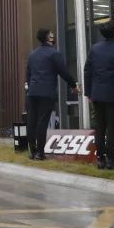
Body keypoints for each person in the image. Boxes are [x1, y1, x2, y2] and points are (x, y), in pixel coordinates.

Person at [25, 28, 79, 160]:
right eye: (51, 34)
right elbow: (64, 72)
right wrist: (74, 85)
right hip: (46, 92)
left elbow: (28, 75)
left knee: (31, 121)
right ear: (48, 37)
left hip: (32, 92)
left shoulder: (32, 55)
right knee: (42, 122)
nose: (53, 35)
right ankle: (40, 153)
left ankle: (32, 151)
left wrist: (30, 88)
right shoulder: (54, 54)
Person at [85, 21, 114, 170]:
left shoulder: (95, 48)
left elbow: (87, 71)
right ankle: (111, 160)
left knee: (100, 127)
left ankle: (100, 158)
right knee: (113, 128)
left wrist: (89, 92)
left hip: (97, 94)